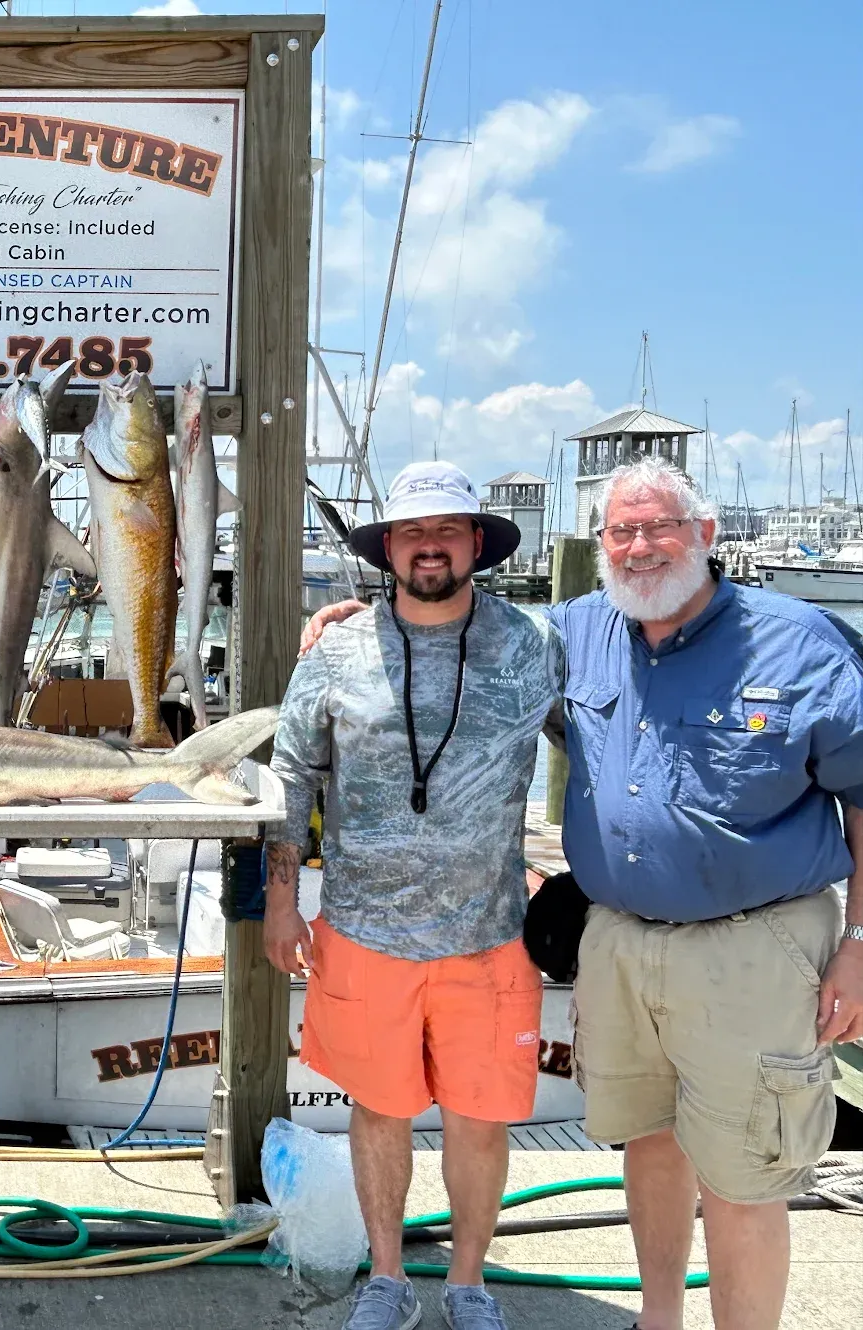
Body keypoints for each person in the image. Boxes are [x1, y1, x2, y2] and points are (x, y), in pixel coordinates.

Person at [299, 457, 863, 1330]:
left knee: (746, 1173)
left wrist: (860, 944)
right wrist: (352, 626)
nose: (640, 549)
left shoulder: (798, 639)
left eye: (660, 528)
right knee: (649, 1144)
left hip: (755, 946)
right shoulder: (577, 630)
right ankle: (657, 1319)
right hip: (619, 941)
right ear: (598, 545)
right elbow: (436, 647)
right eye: (620, 532)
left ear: (706, 534)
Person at [264, 461, 564, 1330]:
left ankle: (468, 1285)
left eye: (445, 531)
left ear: (478, 542)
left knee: (480, 1119)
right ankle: (386, 1279)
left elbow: (606, 739)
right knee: (379, 1110)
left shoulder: (537, 644)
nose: (428, 546)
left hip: (491, 934)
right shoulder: (334, 648)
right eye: (409, 532)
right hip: (361, 931)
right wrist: (281, 902)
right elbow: (290, 778)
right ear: (386, 547)